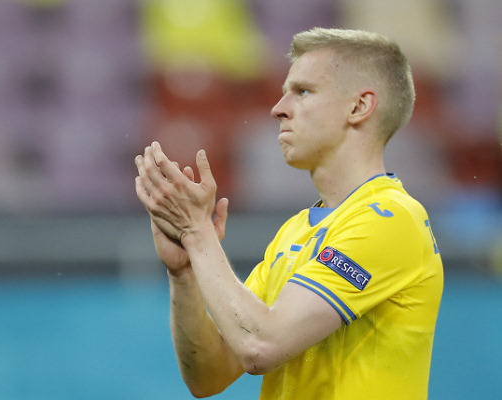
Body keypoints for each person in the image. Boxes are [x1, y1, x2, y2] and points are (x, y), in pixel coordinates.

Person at [134, 27, 444, 400]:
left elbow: (260, 346)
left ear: (359, 107)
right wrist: (184, 271)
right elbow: (209, 376)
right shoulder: (296, 231)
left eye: (303, 91)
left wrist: (199, 235)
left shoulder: (390, 218)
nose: (278, 108)